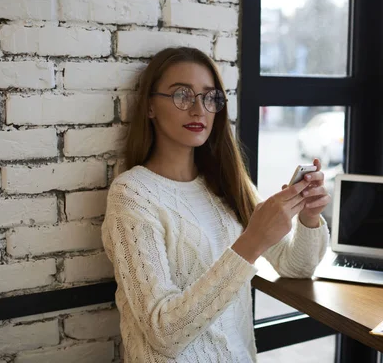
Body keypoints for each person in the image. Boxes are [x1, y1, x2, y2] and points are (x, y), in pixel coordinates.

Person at [101, 47, 331, 362]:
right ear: (150, 106)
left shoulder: (227, 184)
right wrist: (251, 242)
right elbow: (163, 334)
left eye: (210, 97)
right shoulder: (132, 194)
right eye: (182, 95)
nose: (199, 109)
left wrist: (309, 218)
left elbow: (296, 267)